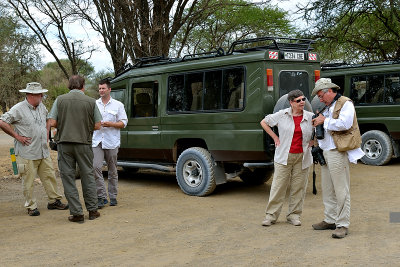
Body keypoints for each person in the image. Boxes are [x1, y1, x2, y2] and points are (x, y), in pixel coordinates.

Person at [0, 82, 68, 216]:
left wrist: (47, 133)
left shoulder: (41, 106)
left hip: (43, 151)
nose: (42, 96)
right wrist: (17, 136)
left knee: (49, 176)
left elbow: (47, 120)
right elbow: (2, 121)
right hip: (27, 152)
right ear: (31, 95)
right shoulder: (18, 108)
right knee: (28, 180)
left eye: (42, 94)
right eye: (39, 94)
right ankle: (31, 206)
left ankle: (54, 201)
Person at [311, 78, 364, 239]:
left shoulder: (345, 103)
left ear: (329, 91)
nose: (319, 99)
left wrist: (323, 120)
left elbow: (345, 124)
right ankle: (330, 219)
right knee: (327, 188)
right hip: (326, 150)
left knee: (341, 189)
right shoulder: (328, 106)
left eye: (321, 95)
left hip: (337, 151)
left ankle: (342, 224)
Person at [47, 75, 102, 223]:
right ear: (83, 86)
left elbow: (52, 122)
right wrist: (83, 127)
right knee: (88, 176)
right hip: (84, 143)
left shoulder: (60, 99)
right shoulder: (91, 102)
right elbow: (98, 125)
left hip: (64, 144)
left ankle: (77, 214)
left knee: (68, 178)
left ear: (69, 86)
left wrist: (65, 125)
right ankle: (92, 211)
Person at [260, 89, 314, 227]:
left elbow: (321, 130)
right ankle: (271, 216)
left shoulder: (310, 116)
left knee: (298, 188)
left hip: (302, 157)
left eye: (303, 99)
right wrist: (275, 137)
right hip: (283, 156)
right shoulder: (282, 115)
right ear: (291, 103)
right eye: (298, 101)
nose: (302, 102)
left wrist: (315, 142)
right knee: (278, 187)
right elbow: (264, 122)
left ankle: (294, 216)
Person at [92, 79, 127, 208]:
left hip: (112, 142)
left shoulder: (118, 105)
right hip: (97, 141)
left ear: (109, 89)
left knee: (112, 170)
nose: (101, 91)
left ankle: (113, 196)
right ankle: (101, 196)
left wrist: (109, 124)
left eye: (103, 88)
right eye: (99, 88)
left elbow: (123, 123)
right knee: (95, 167)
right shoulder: (94, 104)